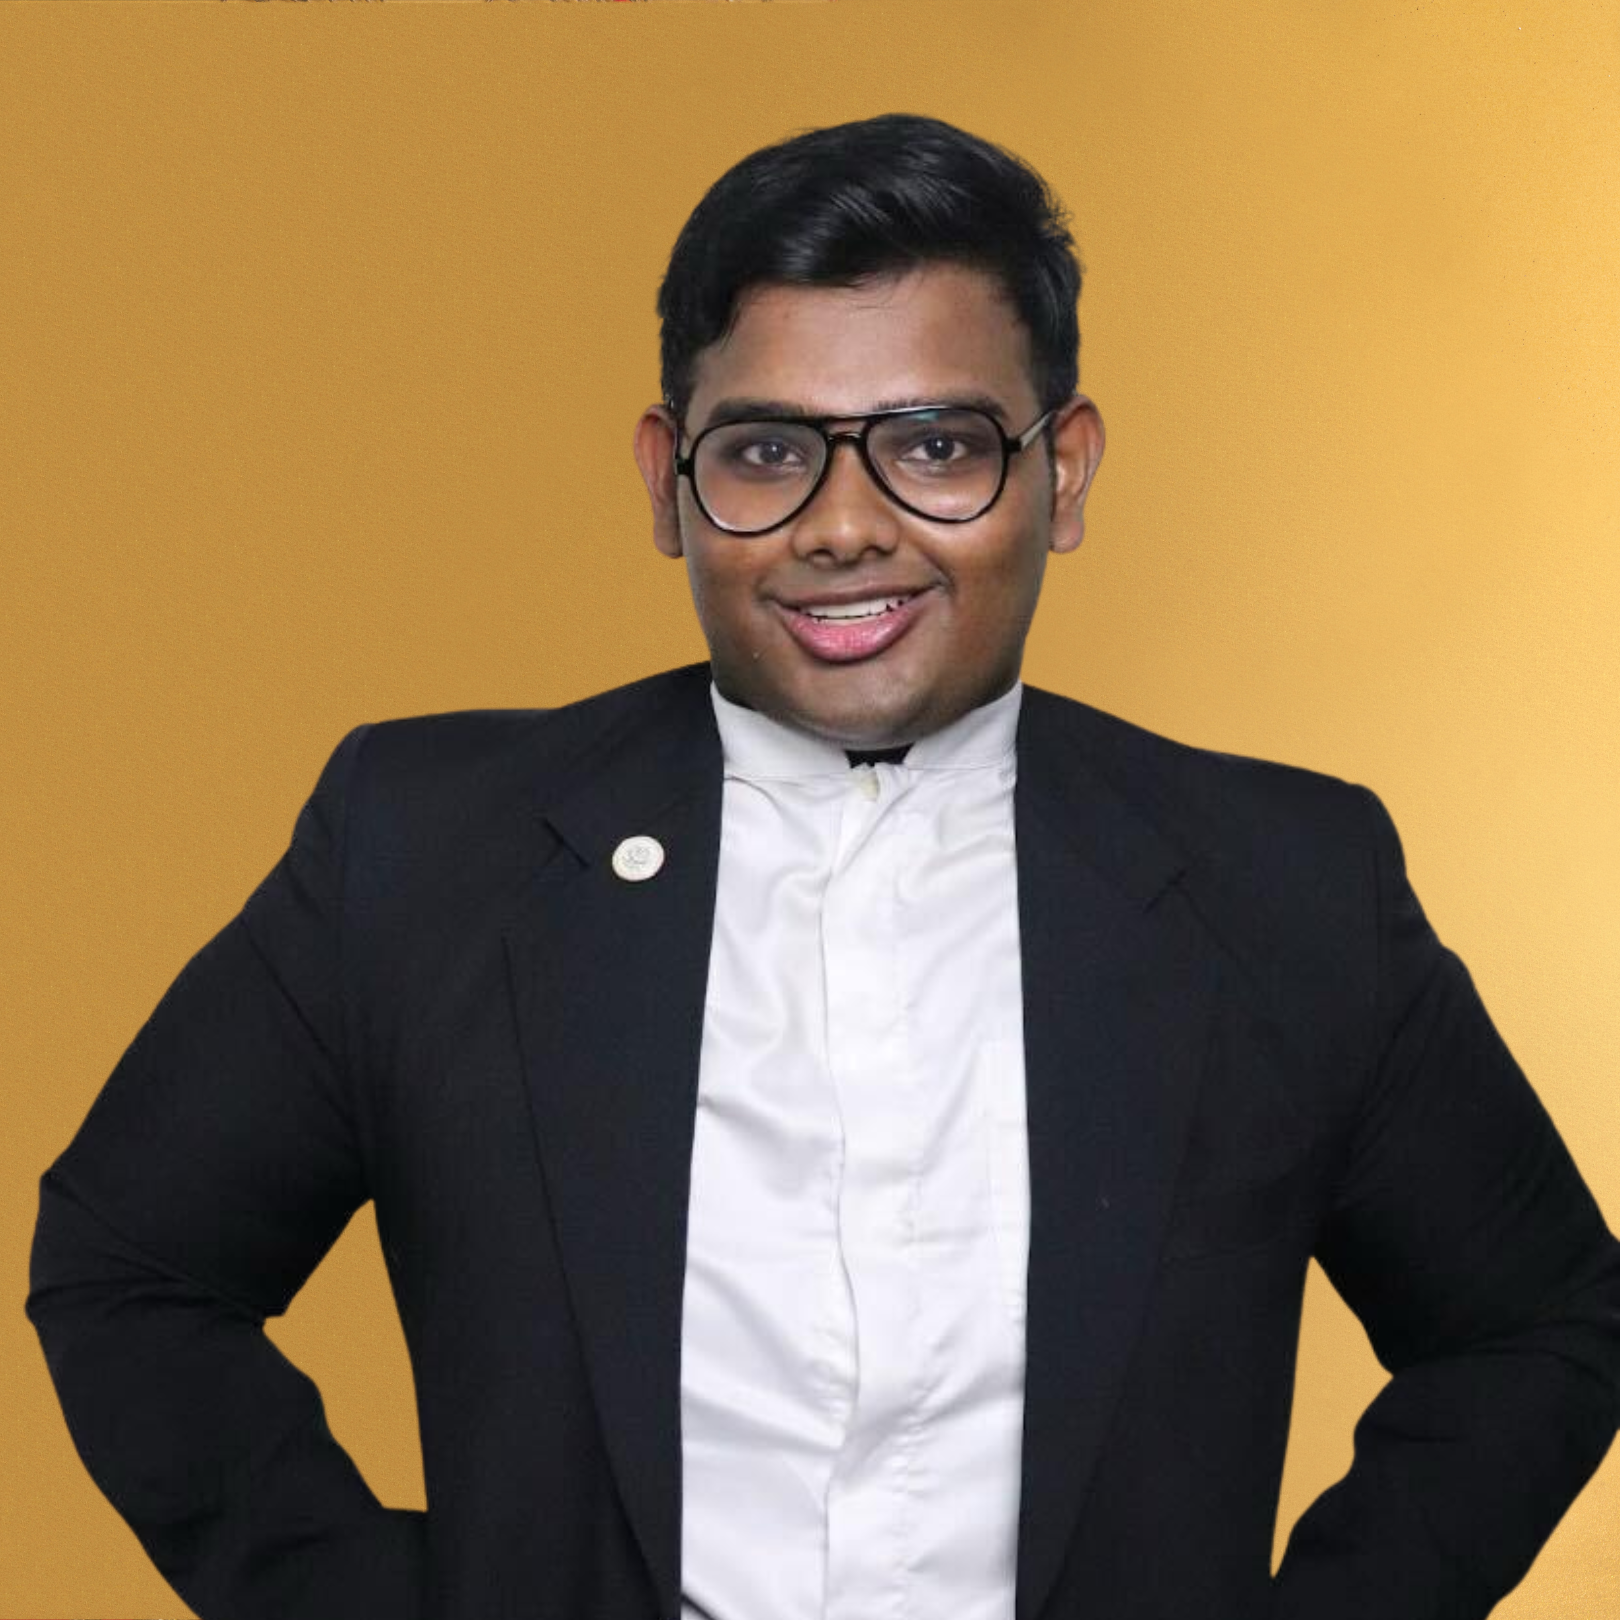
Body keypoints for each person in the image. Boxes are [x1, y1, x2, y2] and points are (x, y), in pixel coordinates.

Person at [28, 113, 1620, 1620]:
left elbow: (1539, 1324)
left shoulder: (1289, 881)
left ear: (1064, 473)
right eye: (770, 449)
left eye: (935, 445)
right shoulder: (420, 848)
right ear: (668, 481)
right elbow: (129, 1268)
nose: (844, 525)